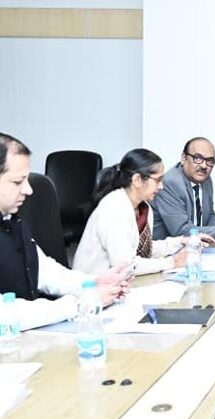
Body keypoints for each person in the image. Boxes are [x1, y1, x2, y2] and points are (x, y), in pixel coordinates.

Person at [0, 132, 127, 330]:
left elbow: (43, 270)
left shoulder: (11, 219)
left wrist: (92, 283)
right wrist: (80, 304)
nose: (28, 190)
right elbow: (5, 315)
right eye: (17, 182)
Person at [73, 149, 215, 276]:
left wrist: (181, 241)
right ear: (137, 180)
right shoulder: (114, 209)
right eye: (158, 180)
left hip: (121, 284)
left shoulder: (144, 207)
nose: (161, 186)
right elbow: (126, 266)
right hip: (95, 288)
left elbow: (144, 250)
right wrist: (172, 262)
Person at [151, 137, 215, 240]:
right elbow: (181, 230)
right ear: (183, 158)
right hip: (168, 248)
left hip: (194, 246)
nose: (204, 166)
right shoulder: (170, 183)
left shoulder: (206, 181)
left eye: (210, 161)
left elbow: (208, 218)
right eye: (198, 158)